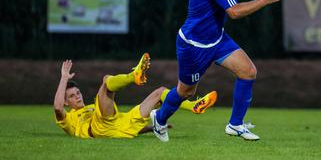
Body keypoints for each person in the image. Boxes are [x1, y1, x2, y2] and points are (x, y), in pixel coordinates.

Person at [150, 0, 282, 142]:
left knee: (248, 72)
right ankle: (159, 119)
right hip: (193, 46)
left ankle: (235, 124)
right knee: (185, 92)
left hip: (217, 40)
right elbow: (234, 13)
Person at [54, 53, 217, 138]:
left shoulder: (91, 108)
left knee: (160, 92)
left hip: (122, 125)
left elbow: (121, 126)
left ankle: (193, 106)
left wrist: (151, 129)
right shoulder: (69, 119)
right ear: (67, 102)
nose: (77, 96)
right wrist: (63, 78)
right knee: (105, 82)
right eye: (72, 96)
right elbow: (57, 107)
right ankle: (134, 76)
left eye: (77, 92)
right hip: (99, 130)